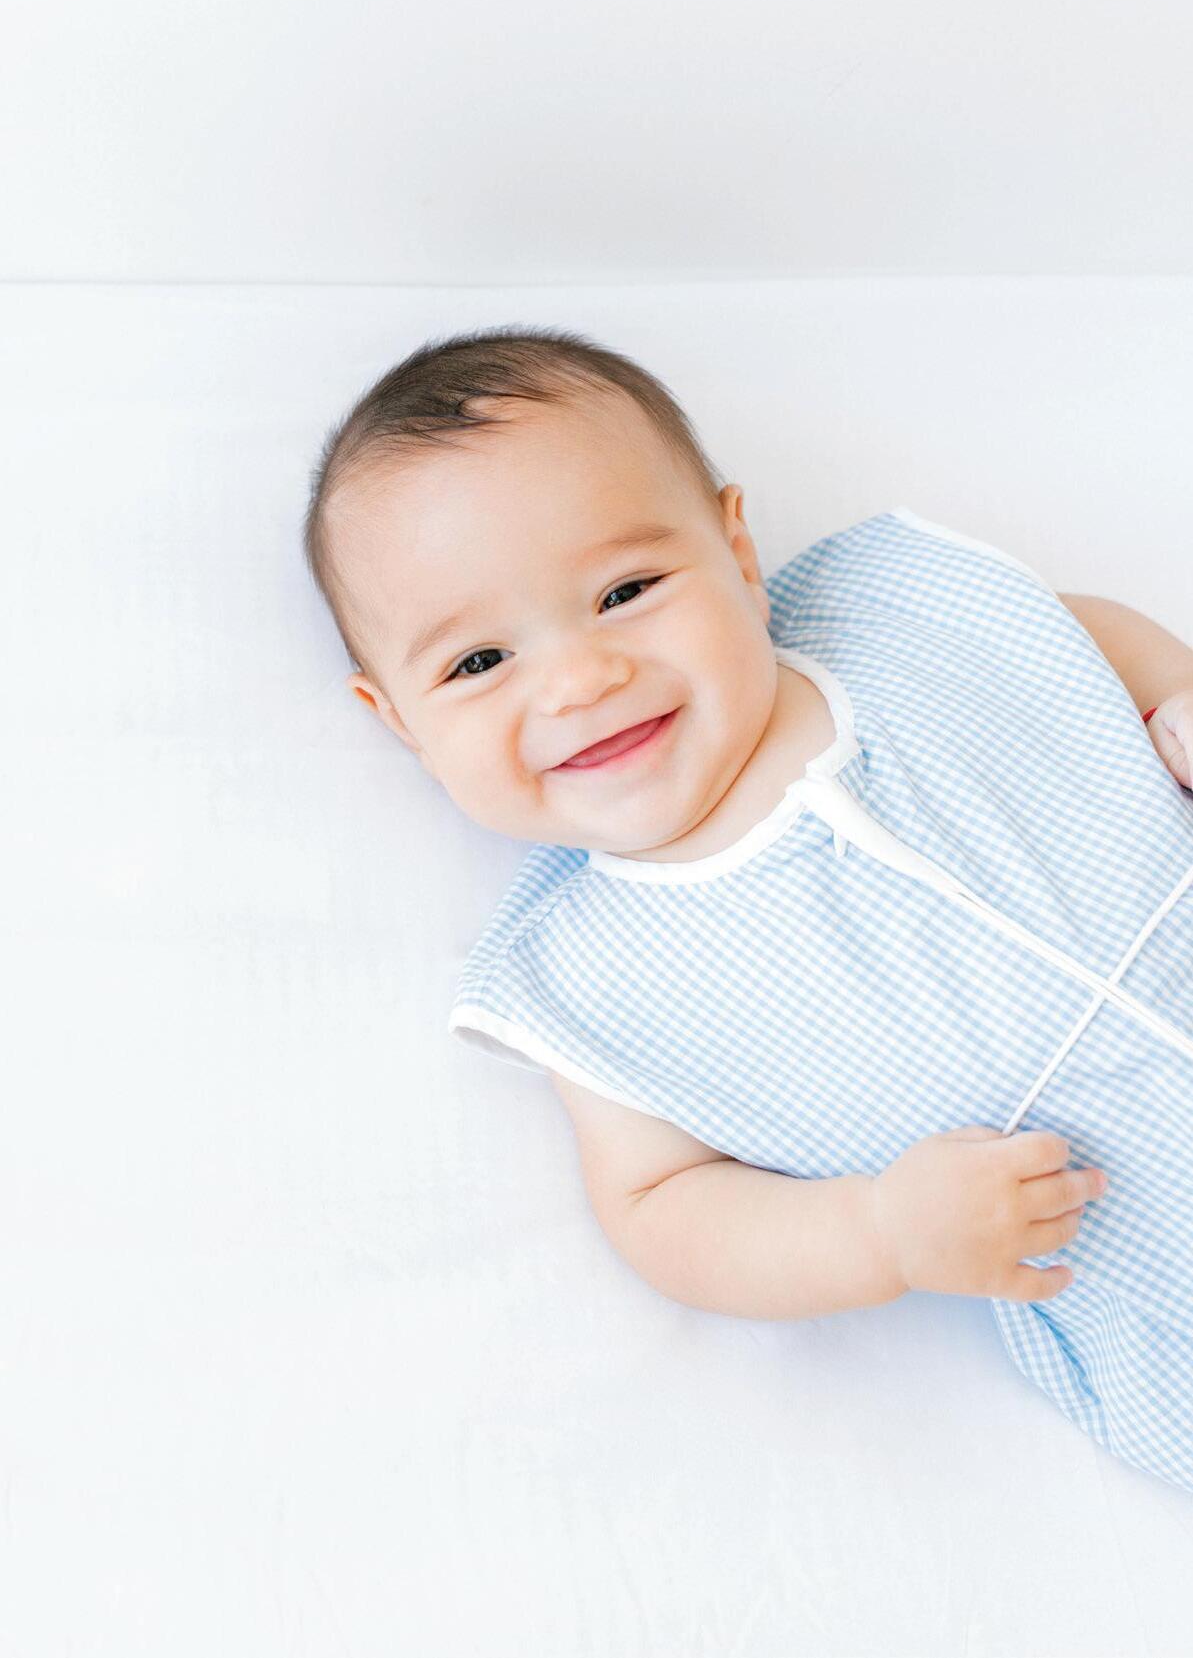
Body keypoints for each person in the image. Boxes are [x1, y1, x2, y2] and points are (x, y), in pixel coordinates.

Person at [302, 324, 1193, 1494]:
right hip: (1148, 1255)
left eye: (623, 591)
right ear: (398, 720)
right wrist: (877, 1231)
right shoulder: (594, 975)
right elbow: (661, 1208)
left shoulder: (889, 623)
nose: (579, 678)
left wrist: (1170, 687)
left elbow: (1061, 635)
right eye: (477, 663)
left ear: (735, 551)